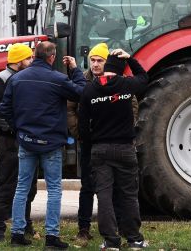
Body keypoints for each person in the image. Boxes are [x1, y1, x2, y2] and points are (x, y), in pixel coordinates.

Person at [0, 41, 86, 249]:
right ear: (52, 57)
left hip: (26, 141)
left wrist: (18, 129)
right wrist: (74, 69)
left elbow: (4, 108)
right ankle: (52, 237)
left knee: (21, 188)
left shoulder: (17, 79)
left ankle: (17, 235)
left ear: (34, 55)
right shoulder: (58, 79)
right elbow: (82, 92)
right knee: (54, 189)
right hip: (51, 143)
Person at [79, 49, 149, 250]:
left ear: (106, 67)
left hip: (100, 150)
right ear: (120, 70)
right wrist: (131, 59)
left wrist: (90, 142)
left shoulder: (89, 90)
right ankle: (134, 239)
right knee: (128, 195)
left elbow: (83, 125)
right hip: (125, 148)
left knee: (104, 196)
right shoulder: (126, 85)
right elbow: (144, 78)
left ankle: (110, 241)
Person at [0, 43, 36, 242]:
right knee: (7, 184)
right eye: (29, 58)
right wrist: (13, 125)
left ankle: (25, 224)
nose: (32, 61)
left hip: (23, 138)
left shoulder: (22, 77)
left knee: (28, 185)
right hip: (7, 139)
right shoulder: (0, 79)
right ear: (19, 61)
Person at [66, 42, 108, 243]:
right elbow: (69, 109)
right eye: (93, 60)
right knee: (87, 186)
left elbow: (132, 106)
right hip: (88, 142)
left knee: (108, 187)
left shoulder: (116, 81)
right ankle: (83, 228)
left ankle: (109, 228)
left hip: (109, 141)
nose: (95, 64)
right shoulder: (82, 81)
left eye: (100, 60)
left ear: (106, 62)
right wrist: (79, 133)